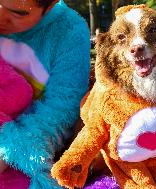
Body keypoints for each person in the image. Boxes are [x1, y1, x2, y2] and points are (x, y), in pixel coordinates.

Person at [0, 0, 90, 188]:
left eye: (17, 13)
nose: (0, 15)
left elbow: (61, 112)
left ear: (50, 5)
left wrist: (8, 152)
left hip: (24, 155)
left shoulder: (69, 33)